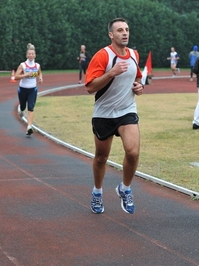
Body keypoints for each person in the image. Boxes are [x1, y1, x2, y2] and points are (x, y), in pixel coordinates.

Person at [85, 18, 144, 214]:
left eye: (127, 29)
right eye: (120, 30)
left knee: (133, 152)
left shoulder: (134, 54)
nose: (124, 33)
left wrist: (139, 87)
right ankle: (97, 192)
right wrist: (111, 73)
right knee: (102, 157)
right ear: (111, 34)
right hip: (104, 113)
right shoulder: (103, 56)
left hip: (127, 110)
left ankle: (125, 188)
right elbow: (90, 87)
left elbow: (136, 78)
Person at [15, 43, 43, 135]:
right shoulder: (23, 65)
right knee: (23, 106)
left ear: (35, 55)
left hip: (32, 89)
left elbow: (39, 73)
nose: (31, 55)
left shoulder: (37, 65)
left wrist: (40, 78)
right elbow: (16, 77)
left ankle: (29, 127)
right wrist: (26, 75)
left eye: (32, 54)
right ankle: (21, 109)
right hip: (22, 89)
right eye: (29, 54)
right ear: (27, 55)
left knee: (31, 108)